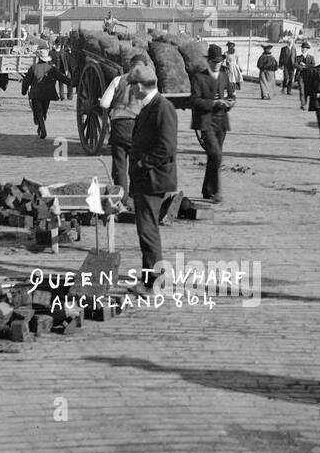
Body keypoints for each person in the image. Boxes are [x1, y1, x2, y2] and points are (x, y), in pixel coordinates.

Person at [123, 63, 177, 296]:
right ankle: (148, 279)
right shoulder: (150, 106)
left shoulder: (162, 108)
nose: (131, 91)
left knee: (148, 231)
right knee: (146, 230)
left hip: (153, 179)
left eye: (133, 87)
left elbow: (166, 147)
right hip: (147, 178)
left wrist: (141, 164)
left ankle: (156, 283)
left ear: (141, 86)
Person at [97, 52, 150, 191]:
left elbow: (104, 103)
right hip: (138, 127)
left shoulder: (118, 80)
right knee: (137, 164)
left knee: (119, 165)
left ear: (130, 66)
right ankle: (135, 196)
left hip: (119, 126)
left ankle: (121, 198)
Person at [190, 44, 235, 202]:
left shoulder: (224, 75)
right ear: (208, 61)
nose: (217, 64)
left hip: (221, 121)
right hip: (206, 121)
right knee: (216, 154)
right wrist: (214, 103)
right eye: (214, 62)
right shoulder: (198, 77)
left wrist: (230, 102)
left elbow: (231, 94)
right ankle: (216, 191)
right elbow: (195, 101)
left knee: (213, 157)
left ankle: (207, 190)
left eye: (219, 62)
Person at [22, 46, 72, 141]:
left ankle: (42, 129)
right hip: (48, 94)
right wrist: (71, 83)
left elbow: (26, 81)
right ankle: (41, 127)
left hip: (36, 93)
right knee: (44, 111)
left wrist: (24, 91)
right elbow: (62, 78)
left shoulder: (33, 67)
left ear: (39, 58)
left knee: (39, 112)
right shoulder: (51, 69)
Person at [295, 40, 312, 109]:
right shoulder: (298, 57)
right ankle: (303, 104)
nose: (302, 49)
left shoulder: (311, 57)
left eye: (304, 48)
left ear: (307, 49)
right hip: (300, 76)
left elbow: (313, 66)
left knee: (306, 91)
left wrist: (305, 66)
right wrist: (300, 67)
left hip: (308, 76)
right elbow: (295, 64)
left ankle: (305, 102)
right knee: (301, 90)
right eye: (302, 48)